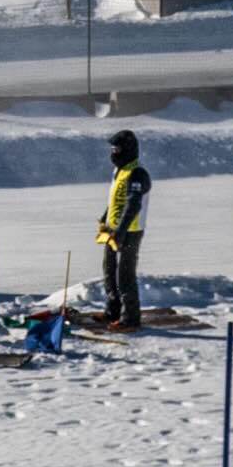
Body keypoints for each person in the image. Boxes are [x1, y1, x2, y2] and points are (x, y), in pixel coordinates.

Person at [94, 130, 148, 329]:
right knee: (109, 271)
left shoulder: (137, 173)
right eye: (112, 149)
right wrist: (104, 218)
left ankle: (130, 318)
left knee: (125, 275)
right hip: (113, 230)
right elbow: (116, 201)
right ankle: (112, 311)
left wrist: (122, 230)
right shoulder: (120, 171)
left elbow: (133, 205)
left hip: (130, 231)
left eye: (117, 149)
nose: (113, 153)